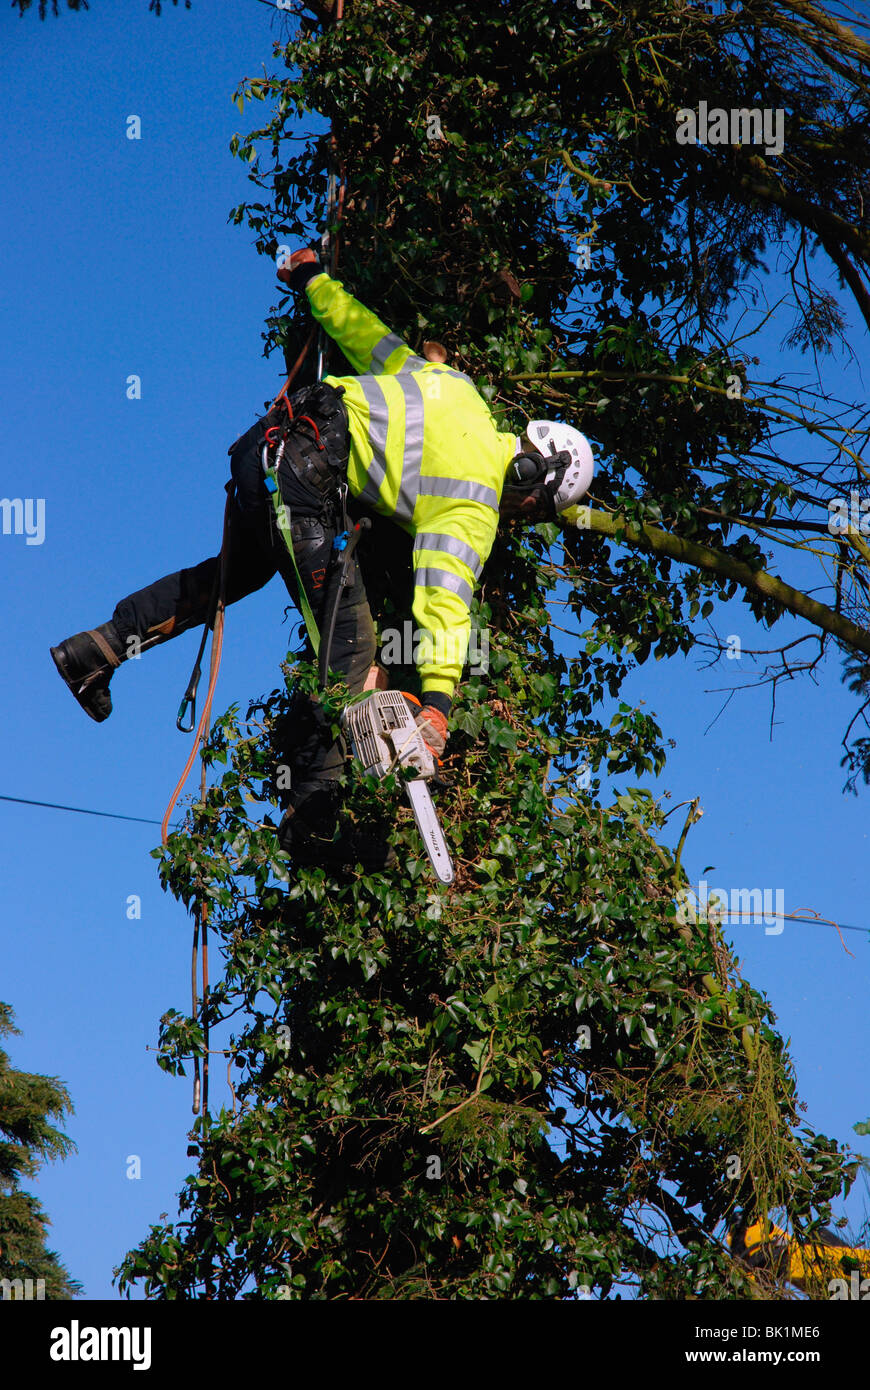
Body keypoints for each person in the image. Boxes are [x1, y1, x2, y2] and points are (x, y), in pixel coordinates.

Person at [50, 249, 594, 868]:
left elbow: (365, 333)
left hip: (267, 451)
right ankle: (308, 824)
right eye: (533, 505)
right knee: (353, 653)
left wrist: (312, 278)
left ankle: (95, 650)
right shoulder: (477, 501)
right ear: (530, 477)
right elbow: (446, 602)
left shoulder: (456, 388)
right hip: (302, 479)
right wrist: (438, 709)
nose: (522, 513)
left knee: (234, 575)